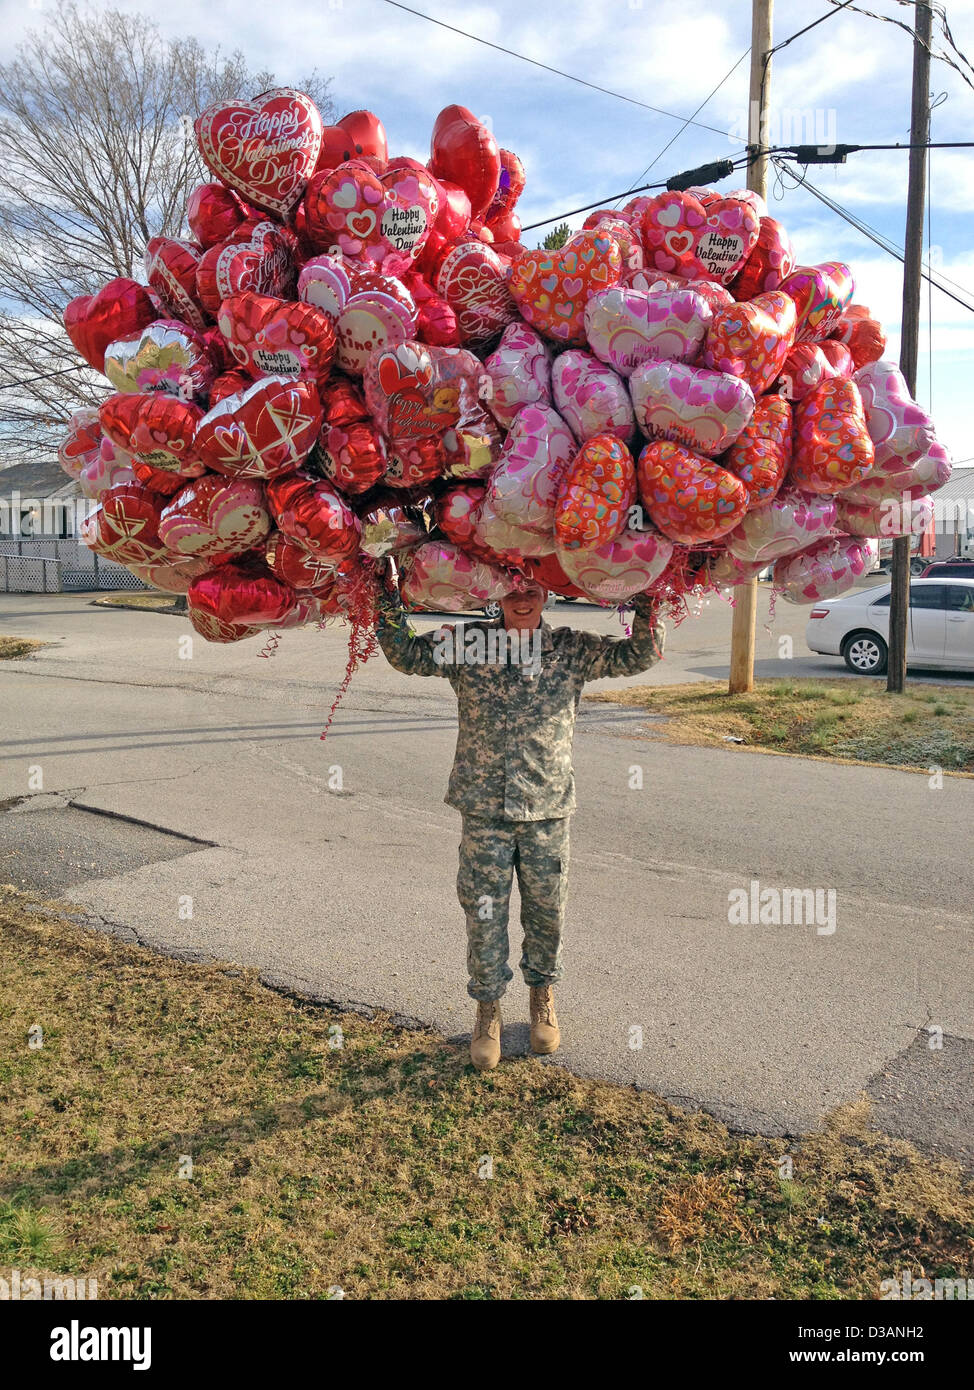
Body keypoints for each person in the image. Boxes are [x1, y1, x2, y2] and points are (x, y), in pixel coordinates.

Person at [374, 572, 665, 1071]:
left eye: (531, 590)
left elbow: (637, 656)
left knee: (546, 909)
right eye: (512, 590)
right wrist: (382, 593)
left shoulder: (571, 649)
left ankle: (542, 998)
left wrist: (650, 599)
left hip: (547, 805)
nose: (522, 599)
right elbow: (407, 655)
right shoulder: (469, 644)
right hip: (484, 806)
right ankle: (487, 1011)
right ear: (495, 595)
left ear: (546, 595)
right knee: (484, 912)